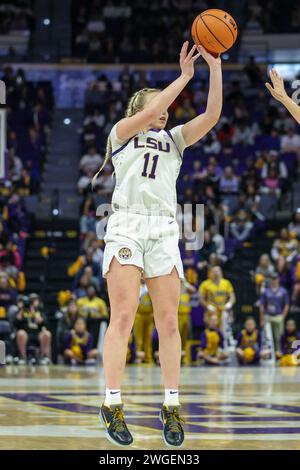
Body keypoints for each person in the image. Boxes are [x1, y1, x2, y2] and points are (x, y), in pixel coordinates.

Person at [94, 41, 223, 447]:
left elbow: (212, 115)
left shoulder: (175, 140)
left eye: (167, 106)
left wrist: (215, 68)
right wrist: (185, 76)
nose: (163, 111)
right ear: (138, 110)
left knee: (169, 321)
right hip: (127, 222)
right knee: (125, 316)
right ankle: (112, 402)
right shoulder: (122, 133)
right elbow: (151, 112)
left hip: (165, 227)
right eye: (156, 104)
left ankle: (171, 406)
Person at [259, 272, 290, 354]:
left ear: (278, 279)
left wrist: (283, 316)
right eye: (272, 279)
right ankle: (268, 353)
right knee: (268, 336)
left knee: (279, 336)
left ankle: (278, 352)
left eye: (275, 278)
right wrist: (262, 318)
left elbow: (286, 304)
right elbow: (262, 305)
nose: (274, 280)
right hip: (268, 316)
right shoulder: (266, 291)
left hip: (278, 315)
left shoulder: (283, 291)